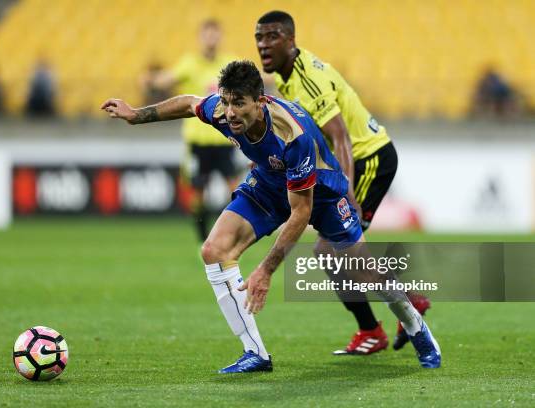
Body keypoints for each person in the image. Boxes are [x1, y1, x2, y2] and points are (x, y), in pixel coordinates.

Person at [101, 60, 441, 372]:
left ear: (260, 102)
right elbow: (190, 102)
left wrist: (265, 269)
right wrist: (136, 115)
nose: (230, 112)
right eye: (226, 101)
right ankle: (256, 354)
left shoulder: (293, 136)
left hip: (320, 191)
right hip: (267, 181)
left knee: (364, 273)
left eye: (239, 104)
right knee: (214, 250)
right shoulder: (221, 109)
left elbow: (301, 212)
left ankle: (415, 326)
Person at [254, 10, 430, 354]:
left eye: (271, 36)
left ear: (291, 41)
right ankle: (384, 320)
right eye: (259, 37)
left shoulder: (306, 79)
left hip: (370, 159)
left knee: (335, 251)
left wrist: (345, 193)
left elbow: (342, 138)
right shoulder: (288, 77)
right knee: (334, 252)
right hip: (361, 160)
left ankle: (391, 317)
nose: (263, 45)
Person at [141, 19, 239, 241]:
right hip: (197, 141)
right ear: (200, 38)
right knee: (198, 194)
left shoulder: (229, 63)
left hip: (224, 139)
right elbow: (167, 80)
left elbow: (255, 78)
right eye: (207, 35)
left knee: (236, 190)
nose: (211, 39)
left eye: (215, 35)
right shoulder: (189, 63)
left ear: (220, 37)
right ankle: (203, 240)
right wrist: (151, 81)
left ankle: (231, 235)